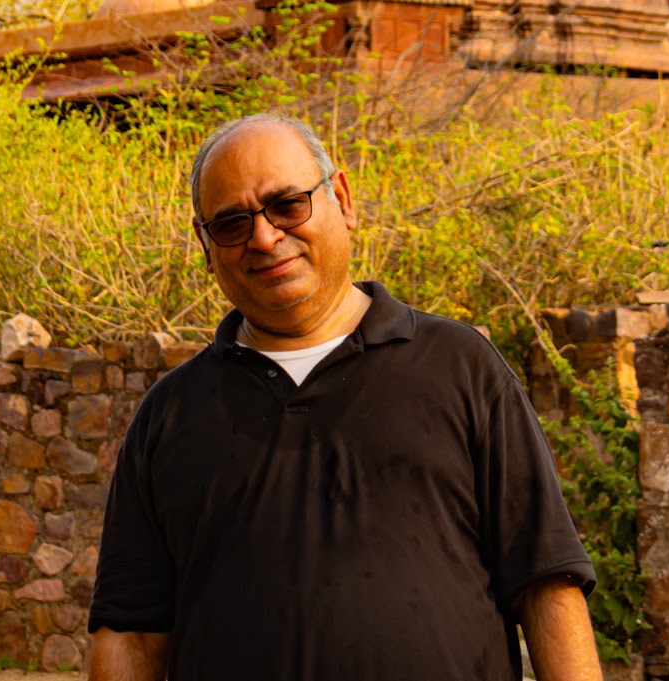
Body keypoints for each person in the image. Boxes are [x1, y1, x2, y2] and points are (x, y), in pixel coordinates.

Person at [87, 112, 601, 681]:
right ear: (204, 244)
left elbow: (547, 584)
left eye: (287, 204)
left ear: (343, 198)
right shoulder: (171, 415)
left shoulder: (459, 368)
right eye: (231, 223)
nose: (264, 236)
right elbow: (130, 635)